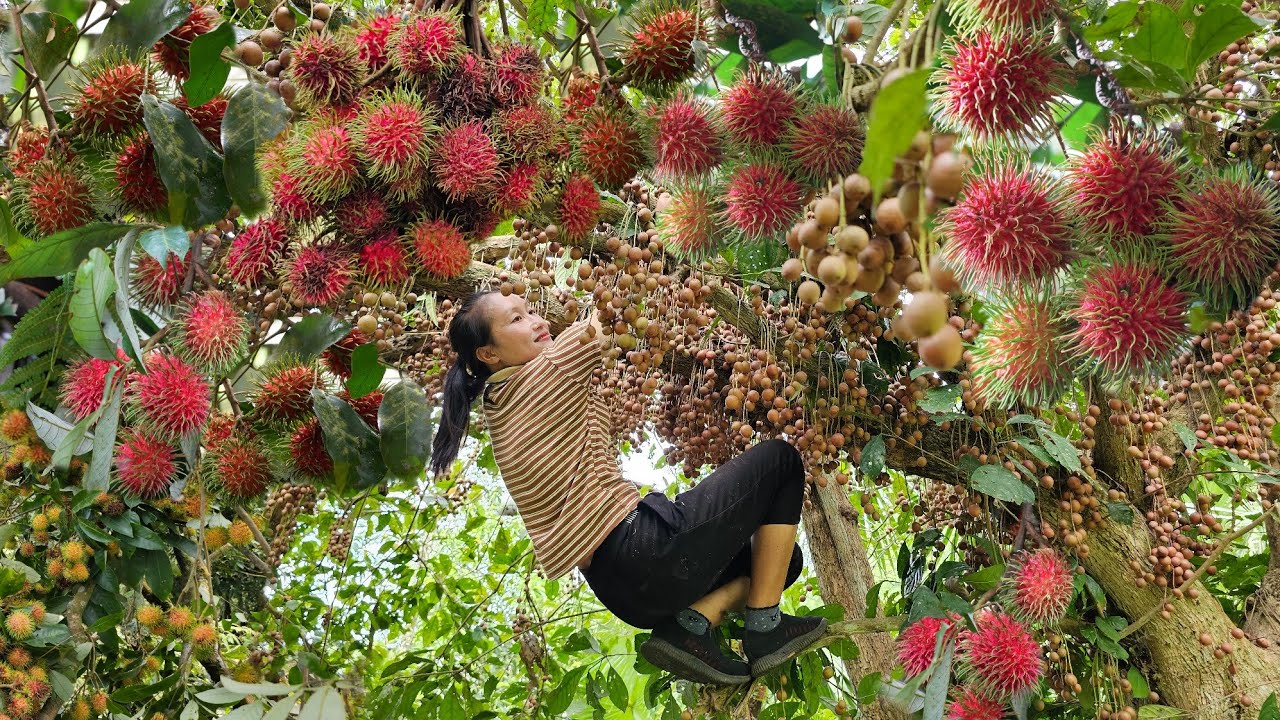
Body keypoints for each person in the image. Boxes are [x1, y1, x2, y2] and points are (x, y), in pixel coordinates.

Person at [430, 289, 828, 685]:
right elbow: (618, 302)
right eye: (517, 319)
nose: (538, 321)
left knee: (780, 559)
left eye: (531, 310)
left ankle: (690, 627)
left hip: (623, 594)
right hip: (642, 549)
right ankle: (765, 628)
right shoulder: (550, 369)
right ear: (488, 353)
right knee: (781, 461)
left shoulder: (499, 405)